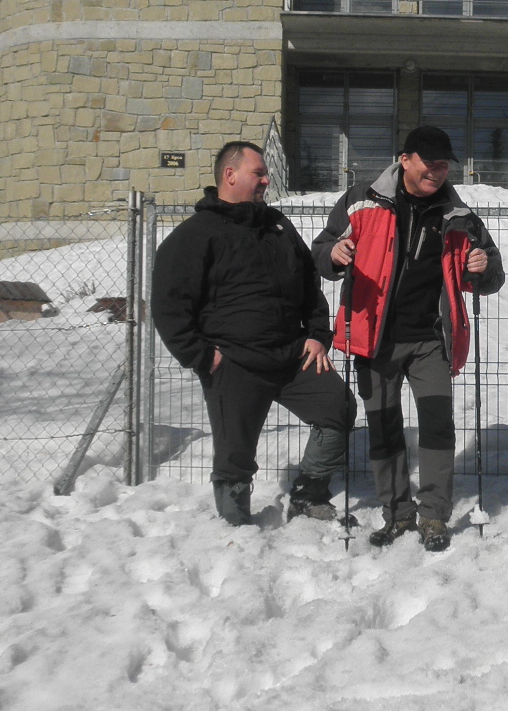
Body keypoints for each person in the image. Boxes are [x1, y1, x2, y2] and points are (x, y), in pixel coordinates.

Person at [312, 126, 505, 552]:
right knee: (384, 428)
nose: (437, 171)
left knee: (437, 426)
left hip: (431, 340)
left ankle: (433, 515)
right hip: (374, 338)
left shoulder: (459, 215)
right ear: (404, 160)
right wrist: (335, 255)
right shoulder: (361, 200)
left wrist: (481, 266)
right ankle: (397, 513)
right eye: (429, 163)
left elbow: (493, 273)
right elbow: (322, 250)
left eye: (443, 165)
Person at [151, 141, 356, 526]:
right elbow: (168, 304)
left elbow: (308, 285)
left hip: (293, 356)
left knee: (338, 409)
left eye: (265, 175)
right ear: (230, 175)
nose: (266, 181)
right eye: (258, 173)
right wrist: (202, 356)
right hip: (234, 363)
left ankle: (308, 493)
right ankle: (237, 526)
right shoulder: (196, 234)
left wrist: (317, 334)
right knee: (235, 456)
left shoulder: (277, 225)